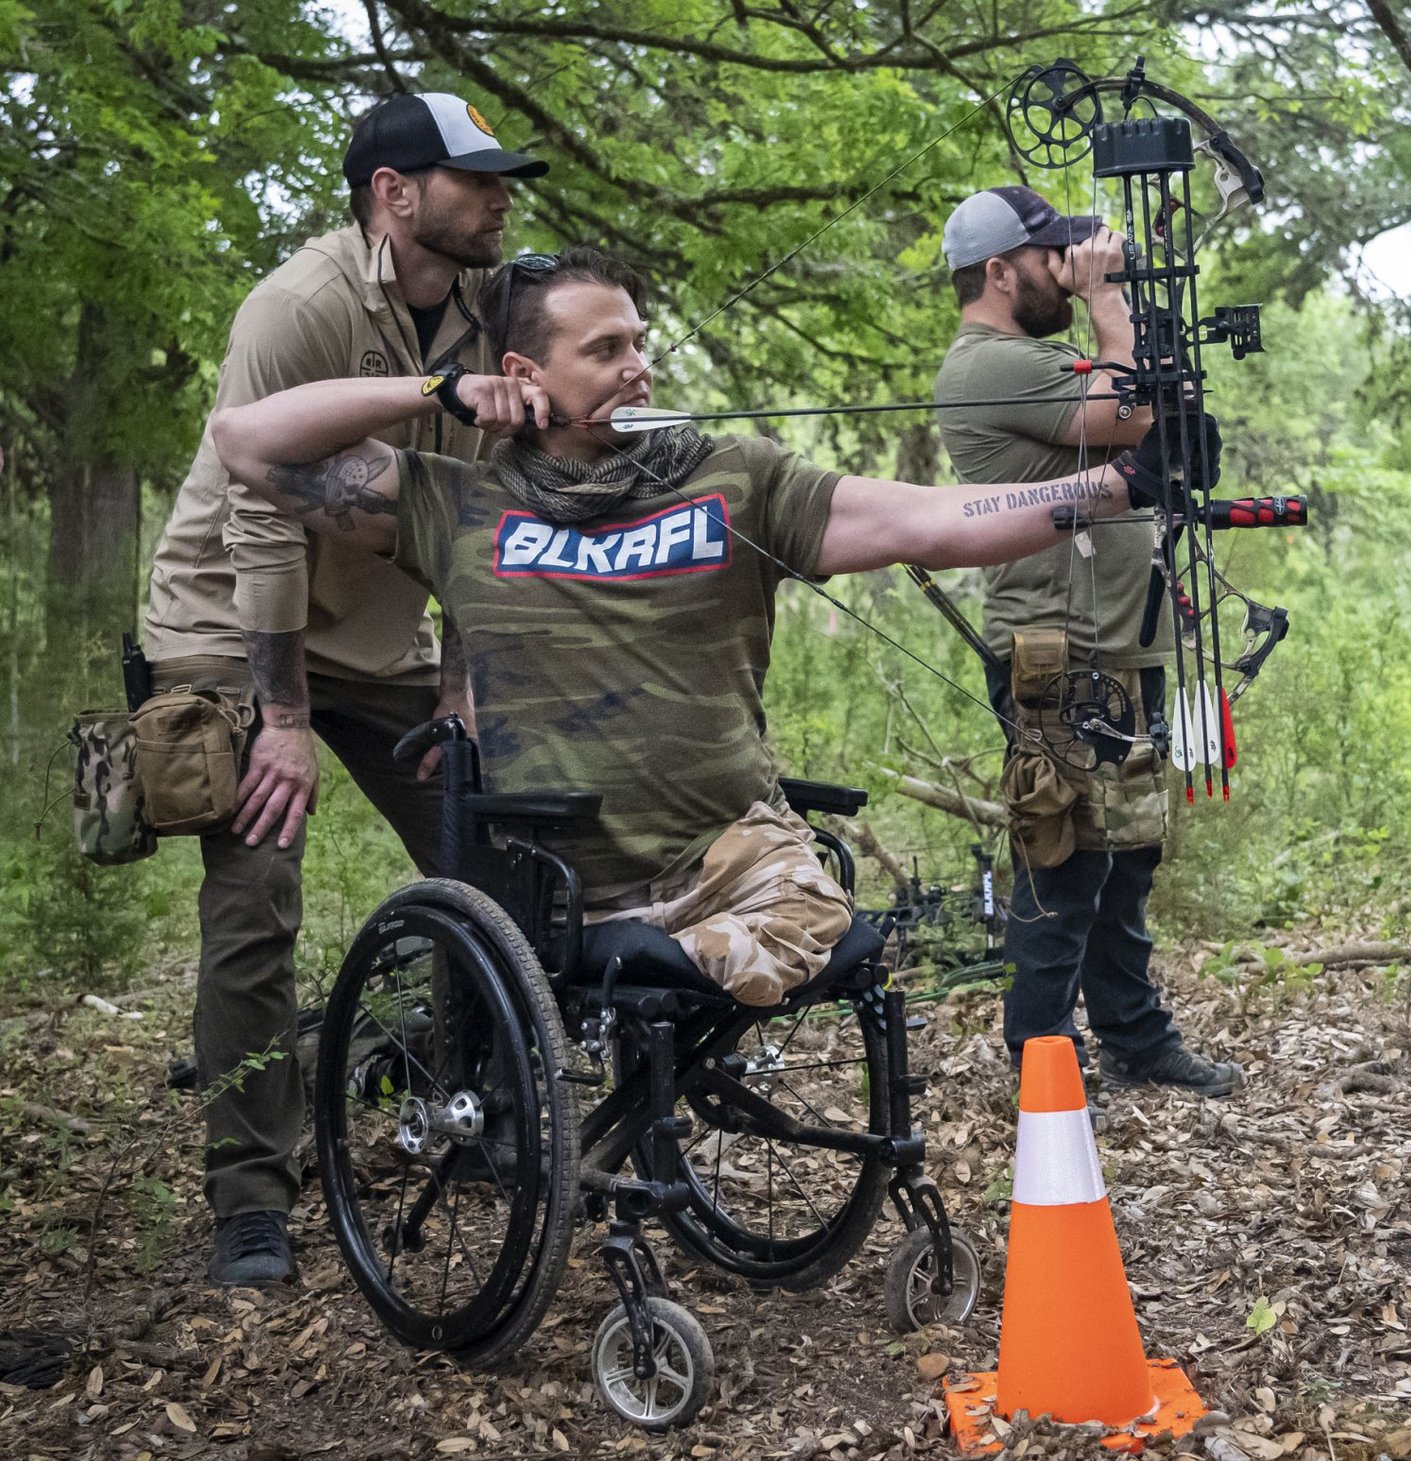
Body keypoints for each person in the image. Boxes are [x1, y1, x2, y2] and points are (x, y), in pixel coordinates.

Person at [207, 247, 1209, 1014]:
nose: (636, 369)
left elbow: (930, 520)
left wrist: (1114, 484)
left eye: (639, 344)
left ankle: (694, 974)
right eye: (604, 351)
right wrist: (441, 392)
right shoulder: (452, 503)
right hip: (555, 887)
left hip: (732, 862)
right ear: (524, 373)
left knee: (817, 917)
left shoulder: (732, 479)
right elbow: (244, 441)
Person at [142, 92, 548, 1286]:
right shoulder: (297, 309)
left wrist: (465, 690)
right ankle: (249, 1199)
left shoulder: (494, 310)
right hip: (233, 628)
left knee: (502, 857)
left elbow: (488, 522)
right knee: (258, 894)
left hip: (381, 640)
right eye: (474, 179)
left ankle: (453, 1091)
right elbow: (261, 523)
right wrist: (280, 721)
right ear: (394, 193)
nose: (499, 196)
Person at [932, 186, 1243, 1097]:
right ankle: (1042, 1065)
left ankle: (1136, 1041)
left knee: (1126, 857)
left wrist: (1135, 326)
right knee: (1064, 859)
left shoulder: (1048, 358)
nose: (1069, 273)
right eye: (1051, 259)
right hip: (1054, 653)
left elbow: (1151, 424)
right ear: (998, 272)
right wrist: (1110, 307)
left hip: (1117, 643)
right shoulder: (986, 364)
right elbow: (1120, 415)